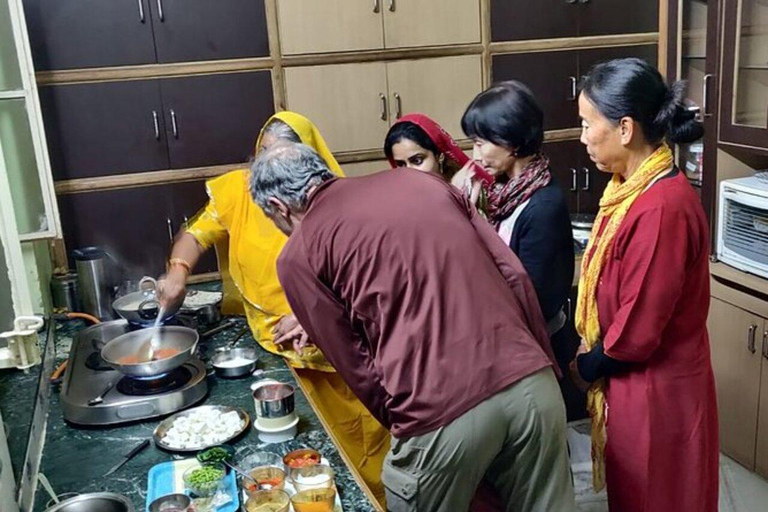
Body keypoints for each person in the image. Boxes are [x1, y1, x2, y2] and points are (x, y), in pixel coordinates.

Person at [250, 142, 576, 512]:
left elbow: (357, 368)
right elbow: (514, 274)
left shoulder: (299, 255)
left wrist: (410, 427)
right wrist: (539, 364)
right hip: (532, 384)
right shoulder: (421, 182)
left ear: (278, 207)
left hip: (439, 409)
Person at [159, 112, 390, 506]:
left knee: (364, 448)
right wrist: (178, 273)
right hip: (275, 346)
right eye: (266, 156)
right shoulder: (241, 191)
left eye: (288, 156)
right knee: (305, 459)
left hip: (340, 355)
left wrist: (313, 315)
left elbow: (368, 287)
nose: (274, 168)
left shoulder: (339, 205)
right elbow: (195, 234)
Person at [568, 58, 718, 511]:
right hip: (637, 385)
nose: (582, 137)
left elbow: (638, 328)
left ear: (626, 128)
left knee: (660, 495)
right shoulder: (628, 188)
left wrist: (587, 365)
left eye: (587, 124)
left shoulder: (660, 207)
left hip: (658, 390)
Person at [457, 81, 574, 337]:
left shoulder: (543, 207)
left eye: (480, 143)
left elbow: (536, 300)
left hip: (536, 341)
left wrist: (470, 219)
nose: (474, 155)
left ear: (511, 141)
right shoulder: (502, 189)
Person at [384, 113, 493, 206]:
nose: (409, 171)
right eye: (401, 164)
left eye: (417, 161)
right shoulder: (398, 201)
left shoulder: (469, 188)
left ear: (439, 156)